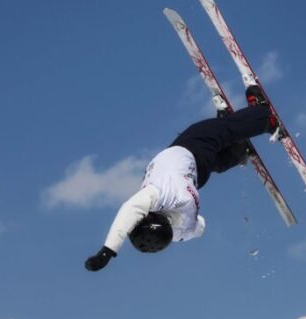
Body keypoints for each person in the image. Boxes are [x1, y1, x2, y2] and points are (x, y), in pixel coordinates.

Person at [85, 86, 278, 272]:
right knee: (222, 129)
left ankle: (238, 151)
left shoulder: (181, 233)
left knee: (215, 162)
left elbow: (200, 226)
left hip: (195, 176)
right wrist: (108, 251)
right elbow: (129, 211)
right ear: (149, 217)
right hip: (189, 150)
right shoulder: (159, 195)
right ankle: (264, 118)